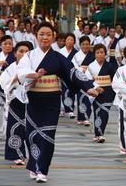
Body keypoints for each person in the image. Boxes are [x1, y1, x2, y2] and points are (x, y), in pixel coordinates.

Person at [16, 22, 99, 183]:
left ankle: (42, 170)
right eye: (42, 34)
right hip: (34, 99)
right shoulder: (29, 56)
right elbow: (21, 71)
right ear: (36, 36)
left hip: (52, 100)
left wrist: (89, 87)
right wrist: (33, 74)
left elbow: (73, 72)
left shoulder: (58, 58)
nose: (45, 37)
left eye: (48, 34)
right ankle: (34, 165)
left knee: (47, 135)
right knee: (32, 134)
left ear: (53, 36)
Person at [0, 41, 33, 165]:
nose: (23, 54)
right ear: (15, 53)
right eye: (20, 51)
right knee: (15, 127)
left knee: (31, 128)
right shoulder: (11, 67)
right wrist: (14, 80)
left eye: (27, 52)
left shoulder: (33, 67)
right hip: (15, 100)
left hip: (31, 100)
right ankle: (16, 154)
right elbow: (3, 81)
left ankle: (32, 154)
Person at [85, 44, 116, 143]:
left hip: (108, 92)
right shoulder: (91, 66)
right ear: (94, 54)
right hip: (96, 92)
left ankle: (100, 133)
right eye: (97, 53)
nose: (100, 54)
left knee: (104, 112)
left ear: (105, 54)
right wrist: (96, 87)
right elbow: (87, 80)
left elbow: (115, 80)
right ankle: (98, 134)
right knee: (97, 112)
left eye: (102, 52)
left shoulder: (110, 66)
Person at [112, 46, 126, 155]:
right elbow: (116, 84)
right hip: (123, 99)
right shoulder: (121, 69)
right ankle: (123, 145)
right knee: (123, 123)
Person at [0, 35, 15, 140]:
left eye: (10, 44)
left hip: (9, 86)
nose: (7, 46)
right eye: (5, 44)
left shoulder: (15, 57)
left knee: (8, 108)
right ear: (0, 45)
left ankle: (7, 130)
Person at [72, 36, 95, 126]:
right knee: (81, 98)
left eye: (87, 44)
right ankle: (81, 118)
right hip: (80, 78)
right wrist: (82, 70)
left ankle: (86, 118)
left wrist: (88, 71)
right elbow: (73, 67)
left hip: (90, 79)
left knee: (88, 98)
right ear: (80, 45)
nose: (85, 46)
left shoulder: (92, 55)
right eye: (83, 44)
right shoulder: (76, 55)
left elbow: (95, 66)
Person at [59, 33, 78, 119]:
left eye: (72, 40)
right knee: (62, 92)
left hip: (72, 74)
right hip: (62, 74)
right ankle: (62, 109)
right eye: (68, 40)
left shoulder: (76, 52)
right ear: (65, 41)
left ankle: (70, 110)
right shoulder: (61, 51)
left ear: (74, 42)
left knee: (71, 92)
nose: (70, 41)